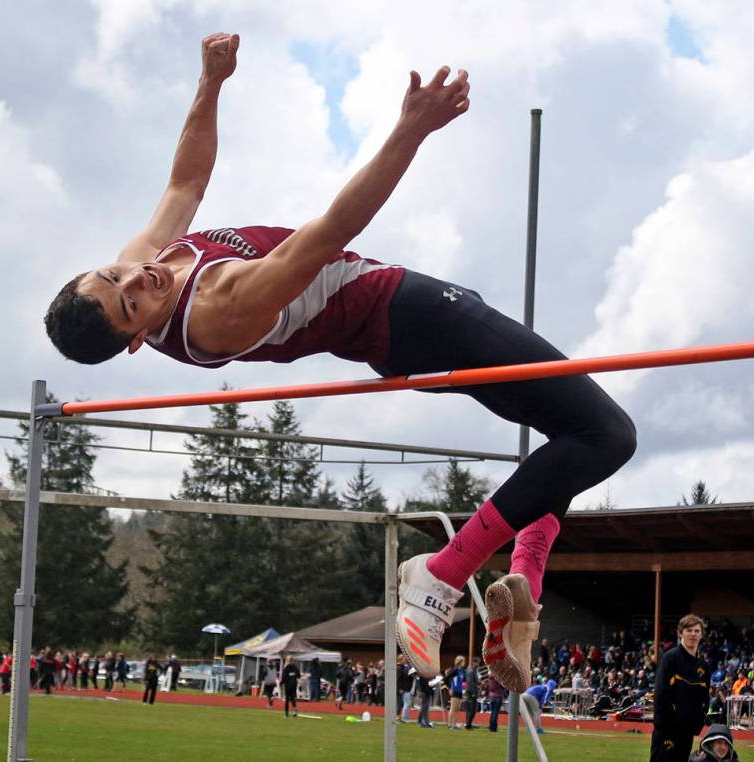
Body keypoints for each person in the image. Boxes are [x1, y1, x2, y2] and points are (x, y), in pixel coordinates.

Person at [43, 32, 636, 693]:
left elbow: (185, 180)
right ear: (135, 339)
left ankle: (525, 581)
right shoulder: (217, 308)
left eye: (115, 273)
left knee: (568, 429)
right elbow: (328, 233)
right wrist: (411, 130)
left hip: (400, 329)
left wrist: (211, 82)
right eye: (130, 304)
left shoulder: (145, 262)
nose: (139, 277)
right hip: (405, 313)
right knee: (608, 434)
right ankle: (440, 573)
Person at [651, 614, 711, 762]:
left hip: (687, 733)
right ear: (680, 633)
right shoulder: (669, 659)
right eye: (689, 630)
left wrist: (697, 724)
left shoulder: (703, 666)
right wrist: (672, 723)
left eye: (697, 631)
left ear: (701, 634)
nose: (693, 634)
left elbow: (705, 699)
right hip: (667, 732)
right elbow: (660, 695)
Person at [445, 656, 466, 730]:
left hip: (460, 691)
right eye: (463, 661)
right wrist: (449, 688)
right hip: (454, 691)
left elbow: (462, 681)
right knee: (453, 708)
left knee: (457, 709)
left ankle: (454, 724)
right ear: (460, 662)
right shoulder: (455, 670)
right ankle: (450, 724)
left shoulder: (462, 671)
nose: (464, 663)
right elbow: (446, 678)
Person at [463, 657, 481, 730]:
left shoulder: (471, 670)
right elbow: (470, 683)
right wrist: (473, 693)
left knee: (470, 709)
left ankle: (468, 723)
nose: (478, 665)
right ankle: (468, 724)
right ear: (474, 662)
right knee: (472, 709)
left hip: (470, 692)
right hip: (471, 692)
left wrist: (478, 682)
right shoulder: (471, 671)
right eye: (477, 663)